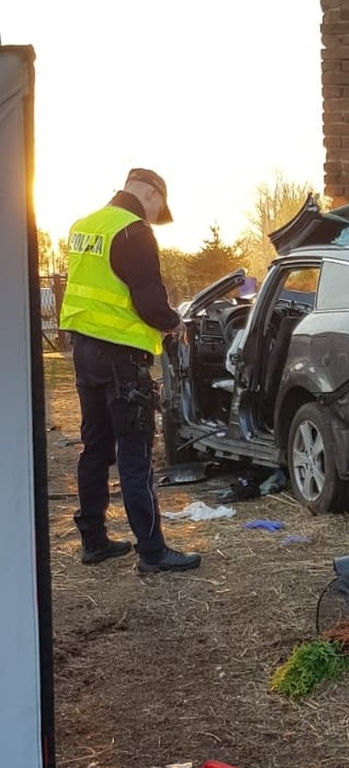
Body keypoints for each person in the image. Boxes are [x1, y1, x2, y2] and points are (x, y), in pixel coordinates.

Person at [59, 168, 201, 574]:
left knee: (96, 447)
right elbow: (150, 302)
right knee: (136, 451)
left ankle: (94, 539)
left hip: (85, 352)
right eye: (159, 210)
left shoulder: (85, 226)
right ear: (153, 194)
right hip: (122, 360)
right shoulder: (134, 231)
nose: (155, 218)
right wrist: (174, 322)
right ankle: (152, 551)